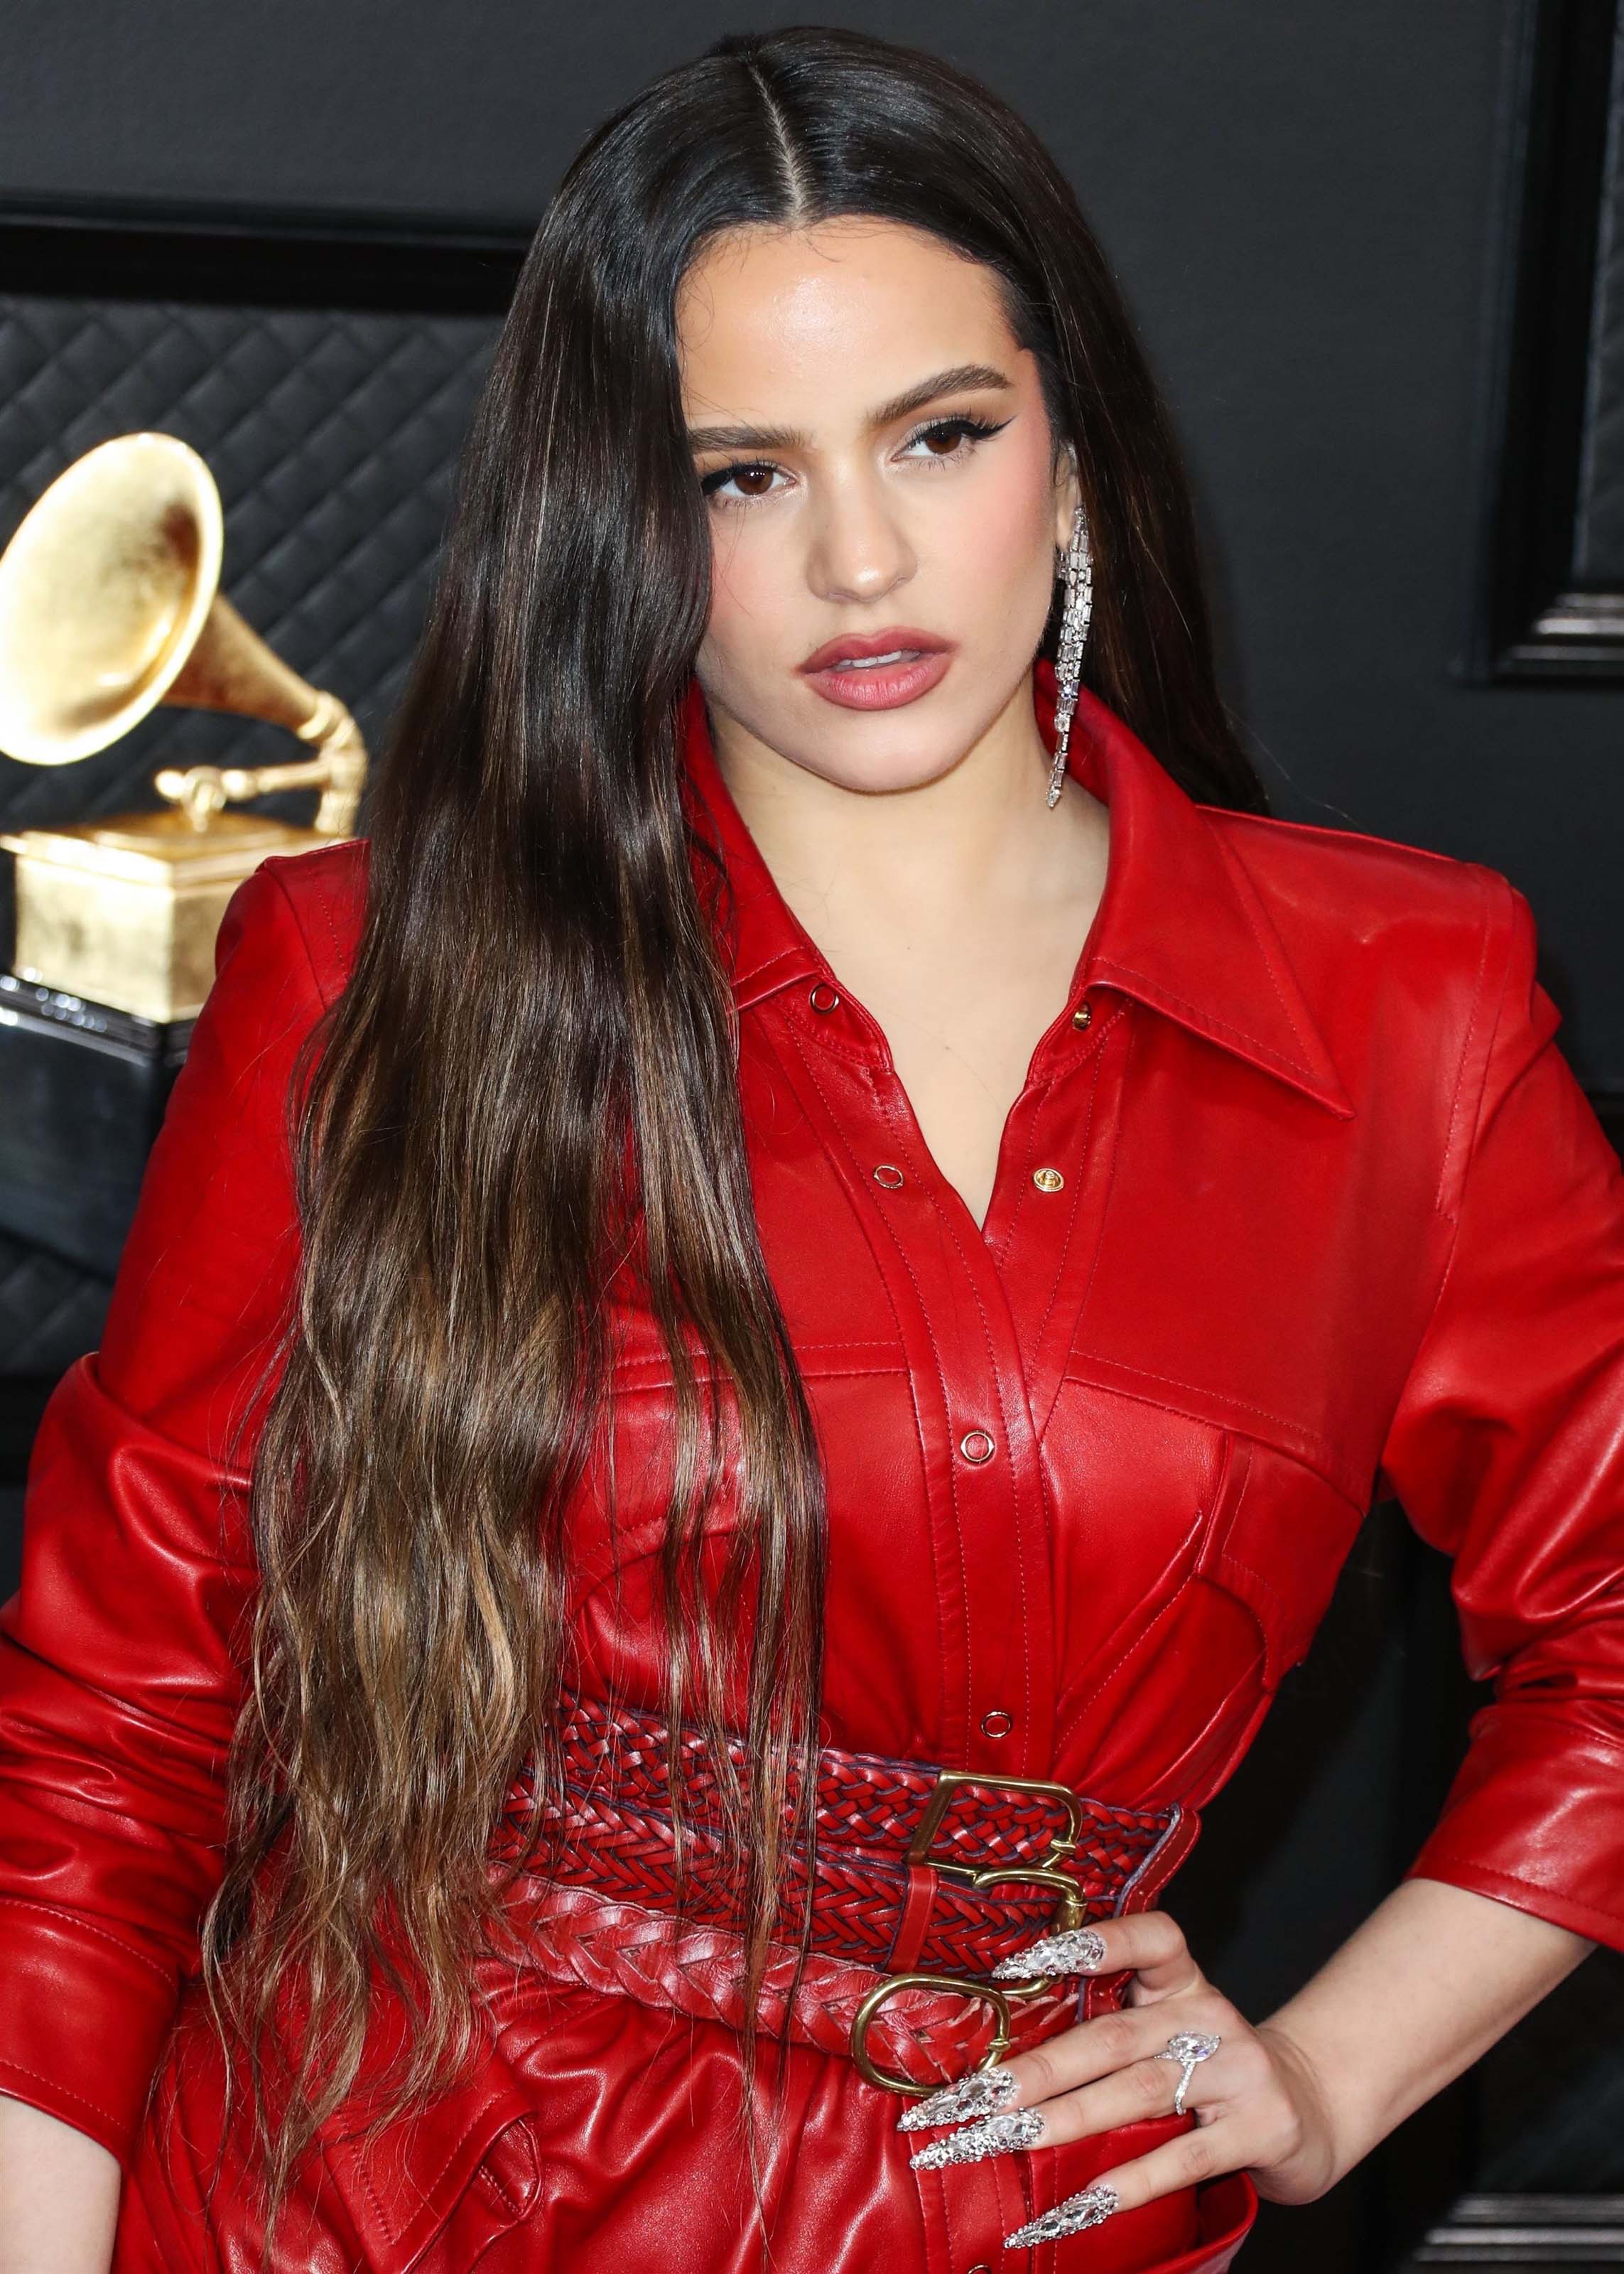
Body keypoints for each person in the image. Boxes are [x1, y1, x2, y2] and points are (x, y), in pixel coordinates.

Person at [1, 24, 1620, 2273]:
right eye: (741, 474)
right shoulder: (370, 975)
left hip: (1018, 2207)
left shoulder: (1401, 1005)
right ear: (630, 522)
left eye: (941, 437)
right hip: (373, 2196)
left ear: (1067, 457)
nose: (862, 559)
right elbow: (106, 1737)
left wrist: (1332, 2076)